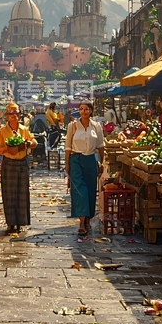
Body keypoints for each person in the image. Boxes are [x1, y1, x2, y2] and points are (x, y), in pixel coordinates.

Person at [0, 102, 37, 234]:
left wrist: (28, 144)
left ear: (19, 115)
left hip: (22, 163)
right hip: (9, 163)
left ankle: (21, 221)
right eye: (10, 113)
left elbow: (34, 142)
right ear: (7, 116)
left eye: (15, 113)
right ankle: (10, 222)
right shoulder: (2, 131)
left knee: (22, 192)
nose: (13, 115)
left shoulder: (24, 130)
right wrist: (8, 148)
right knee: (8, 193)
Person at [65, 101, 105, 236]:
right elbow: (68, 146)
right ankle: (82, 222)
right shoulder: (73, 126)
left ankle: (88, 219)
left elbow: (100, 145)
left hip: (91, 160)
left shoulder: (97, 126)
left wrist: (101, 162)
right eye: (81, 109)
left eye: (86, 109)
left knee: (90, 190)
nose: (83, 111)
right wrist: (67, 164)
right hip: (76, 159)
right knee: (80, 190)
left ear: (91, 111)